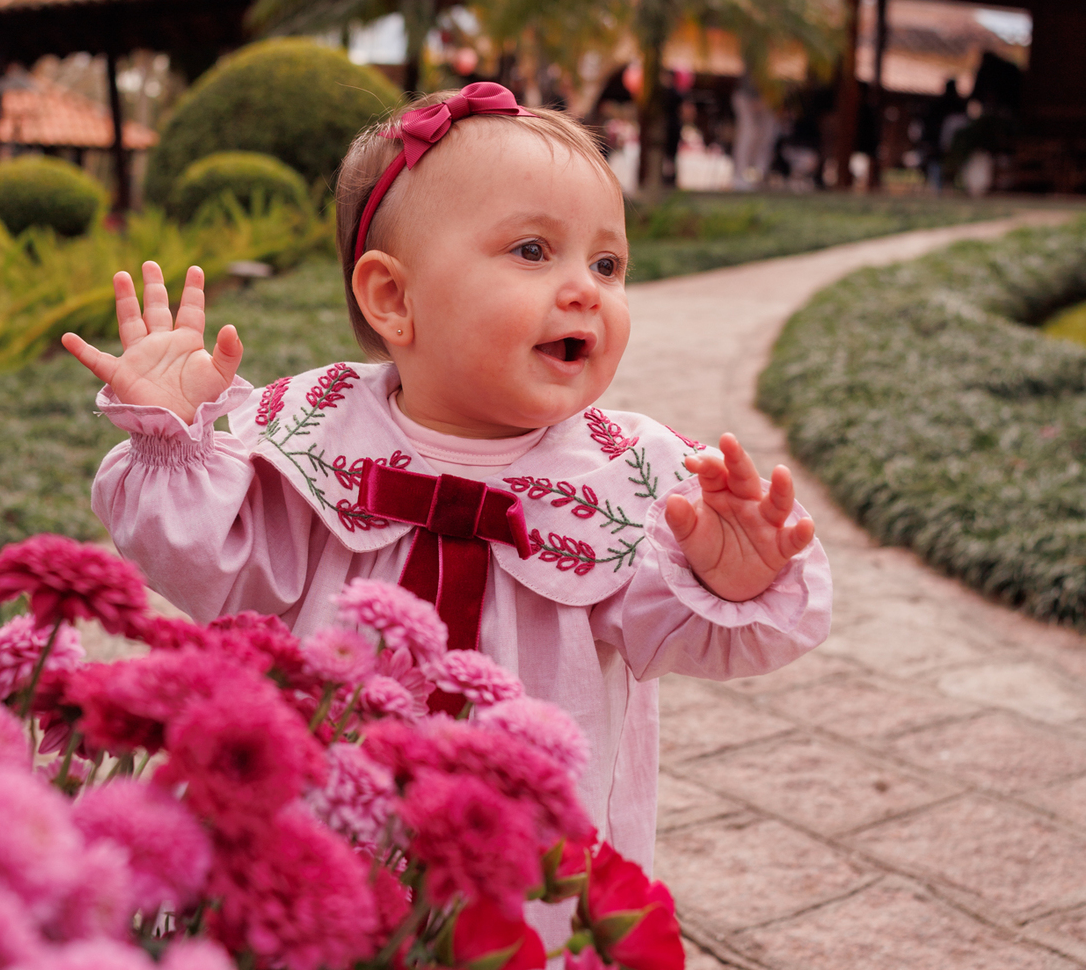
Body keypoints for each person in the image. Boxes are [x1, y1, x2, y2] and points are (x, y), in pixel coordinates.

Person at [63, 84, 831, 877]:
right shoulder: (319, 431)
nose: (585, 289)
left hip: (519, 860)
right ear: (393, 298)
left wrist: (731, 581)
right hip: (324, 828)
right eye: (533, 251)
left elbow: (678, 632)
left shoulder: (628, 475)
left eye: (608, 263)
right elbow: (209, 564)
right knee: (316, 963)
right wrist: (172, 443)